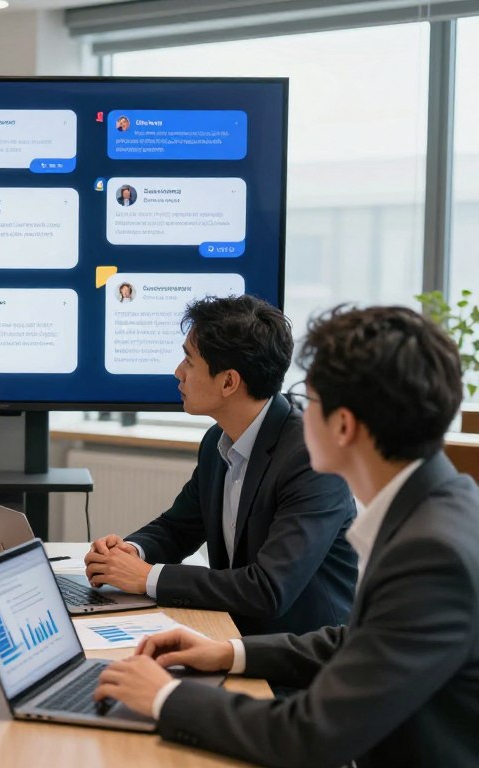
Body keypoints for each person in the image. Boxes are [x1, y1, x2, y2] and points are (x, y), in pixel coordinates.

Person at [95, 305, 479, 767]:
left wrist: (166, 698)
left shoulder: (431, 552)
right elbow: (358, 640)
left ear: (343, 426)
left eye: (309, 399)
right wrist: (228, 652)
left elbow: (310, 735)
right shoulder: (440, 507)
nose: (297, 410)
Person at [85, 295, 357, 636]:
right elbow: (178, 527)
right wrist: (129, 552)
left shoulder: (312, 459)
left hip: (300, 662)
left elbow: (268, 589)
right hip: (232, 636)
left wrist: (146, 577)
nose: (177, 372)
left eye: (189, 360)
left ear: (229, 382)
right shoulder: (219, 439)